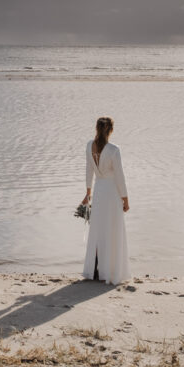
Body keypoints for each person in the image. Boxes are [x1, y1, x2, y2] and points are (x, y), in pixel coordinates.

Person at [81, 116, 131, 284]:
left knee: (97, 230)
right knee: (112, 229)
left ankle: (95, 270)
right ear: (110, 130)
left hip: (99, 191)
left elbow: (89, 171)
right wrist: (125, 199)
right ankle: (110, 270)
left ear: (97, 128)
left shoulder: (89, 146)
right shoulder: (113, 150)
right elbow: (120, 177)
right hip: (112, 193)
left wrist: (88, 193)